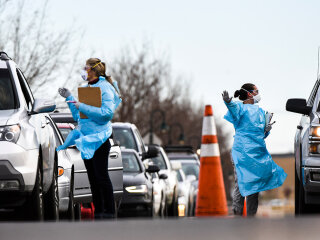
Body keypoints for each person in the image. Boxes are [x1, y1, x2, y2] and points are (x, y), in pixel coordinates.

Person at [57, 58, 122, 219]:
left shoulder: (105, 88)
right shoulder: (86, 88)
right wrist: (70, 98)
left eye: (86, 68)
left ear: (93, 70)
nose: (84, 70)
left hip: (99, 140)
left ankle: (109, 212)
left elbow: (106, 115)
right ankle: (99, 212)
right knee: (93, 178)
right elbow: (79, 116)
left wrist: (82, 106)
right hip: (86, 139)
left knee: (102, 176)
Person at [222, 83, 287, 216]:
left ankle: (251, 217)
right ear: (249, 93)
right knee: (241, 183)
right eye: (256, 91)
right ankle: (237, 213)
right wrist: (228, 102)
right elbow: (234, 109)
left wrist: (266, 130)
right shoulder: (240, 108)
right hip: (242, 152)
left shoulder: (262, 112)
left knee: (255, 185)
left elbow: (262, 135)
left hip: (257, 152)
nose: (258, 93)